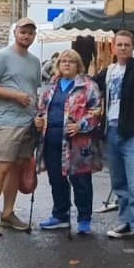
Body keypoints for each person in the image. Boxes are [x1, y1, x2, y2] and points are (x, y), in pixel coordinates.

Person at [0, 18, 42, 236]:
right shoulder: (3, 56)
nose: (26, 36)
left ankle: (7, 213)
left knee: (17, 168)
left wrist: (38, 115)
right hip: (7, 121)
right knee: (2, 168)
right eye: (23, 32)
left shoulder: (35, 61)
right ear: (16, 33)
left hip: (28, 122)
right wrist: (14, 95)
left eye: (30, 33)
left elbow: (35, 91)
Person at [34, 50, 102, 235]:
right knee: (56, 180)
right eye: (63, 61)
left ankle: (84, 219)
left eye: (71, 61)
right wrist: (38, 119)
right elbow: (40, 109)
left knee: (81, 181)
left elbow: (97, 111)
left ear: (78, 65)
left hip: (78, 144)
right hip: (52, 141)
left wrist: (81, 125)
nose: (66, 64)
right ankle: (60, 215)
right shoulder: (51, 86)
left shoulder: (88, 86)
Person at [94, 30, 134, 243]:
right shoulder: (109, 70)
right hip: (111, 131)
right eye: (119, 44)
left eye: (126, 45)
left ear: (133, 48)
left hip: (133, 133)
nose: (122, 48)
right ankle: (127, 223)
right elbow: (89, 84)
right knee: (119, 181)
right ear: (113, 47)